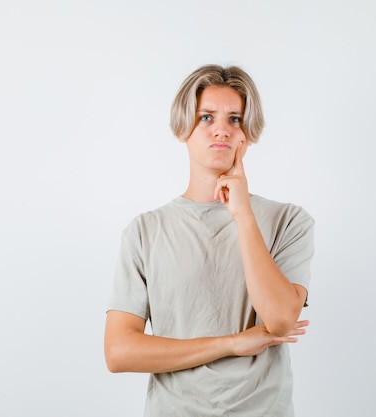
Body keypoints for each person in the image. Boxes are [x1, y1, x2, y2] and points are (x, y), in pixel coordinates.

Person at [104, 64, 314, 416]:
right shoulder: (144, 231)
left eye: (235, 119)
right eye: (206, 117)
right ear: (183, 127)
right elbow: (119, 352)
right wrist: (231, 344)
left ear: (248, 132)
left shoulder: (289, 221)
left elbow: (279, 320)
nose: (221, 130)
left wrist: (243, 214)